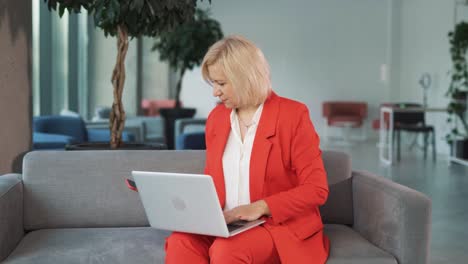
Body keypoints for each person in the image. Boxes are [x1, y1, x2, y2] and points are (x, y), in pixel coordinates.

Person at [165, 35, 330, 264]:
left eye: (221, 84)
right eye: (213, 83)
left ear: (245, 78)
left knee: (226, 250)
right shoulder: (216, 118)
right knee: (179, 242)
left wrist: (260, 207)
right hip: (226, 223)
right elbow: (213, 179)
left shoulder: (293, 115)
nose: (215, 92)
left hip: (274, 226)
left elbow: (317, 189)